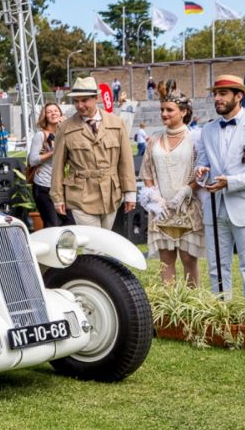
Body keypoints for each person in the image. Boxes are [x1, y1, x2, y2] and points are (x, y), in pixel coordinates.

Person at [194, 74, 245, 302]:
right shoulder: (207, 130)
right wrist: (201, 172)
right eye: (215, 94)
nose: (217, 98)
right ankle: (221, 317)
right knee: (216, 268)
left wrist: (231, 182)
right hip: (215, 209)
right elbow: (203, 163)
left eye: (223, 94)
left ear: (239, 96)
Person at [50, 76, 136, 229]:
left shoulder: (116, 123)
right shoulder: (65, 128)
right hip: (80, 195)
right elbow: (57, 166)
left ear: (96, 98)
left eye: (84, 100)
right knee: (93, 242)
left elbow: (126, 161)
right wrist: (57, 197)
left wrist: (130, 193)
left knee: (106, 241)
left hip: (111, 194)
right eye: (76, 101)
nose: (80, 105)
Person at [139, 91, 203, 287]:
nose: (164, 113)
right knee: (165, 261)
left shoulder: (196, 139)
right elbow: (147, 172)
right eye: (162, 110)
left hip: (187, 208)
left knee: (188, 260)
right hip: (162, 210)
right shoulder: (154, 141)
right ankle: (170, 307)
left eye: (169, 110)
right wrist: (156, 198)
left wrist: (186, 191)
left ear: (183, 112)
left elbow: (202, 172)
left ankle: (192, 305)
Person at [27, 103, 74, 228]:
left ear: (60, 114)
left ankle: (64, 247)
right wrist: (53, 152)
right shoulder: (41, 135)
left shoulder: (65, 134)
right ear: (45, 116)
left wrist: (67, 127)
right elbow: (32, 160)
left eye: (56, 111)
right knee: (51, 224)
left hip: (59, 185)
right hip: (44, 185)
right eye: (49, 112)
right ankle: (50, 247)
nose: (53, 113)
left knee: (70, 221)